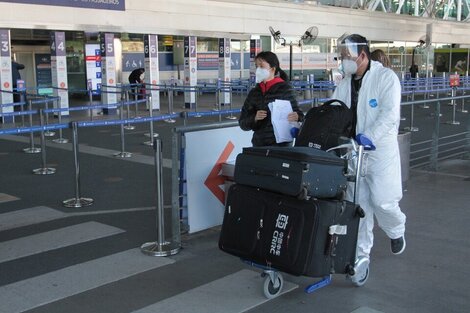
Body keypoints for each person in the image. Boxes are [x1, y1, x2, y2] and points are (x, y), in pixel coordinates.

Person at [332, 34, 407, 286]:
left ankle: (396, 231)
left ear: (362, 56)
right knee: (359, 206)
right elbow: (333, 109)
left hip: (379, 153)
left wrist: (369, 136)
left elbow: (389, 115)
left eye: (347, 57)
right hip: (354, 153)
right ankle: (361, 257)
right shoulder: (345, 84)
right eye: (342, 57)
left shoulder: (386, 78)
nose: (344, 61)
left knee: (384, 202)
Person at [239, 51, 303, 147]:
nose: (258, 69)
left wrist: (297, 117)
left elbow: (300, 115)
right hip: (259, 145)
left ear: (272, 69)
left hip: (282, 146)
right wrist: (254, 118)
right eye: (256, 66)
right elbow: (242, 122)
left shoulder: (286, 89)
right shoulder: (254, 92)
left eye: (261, 66)